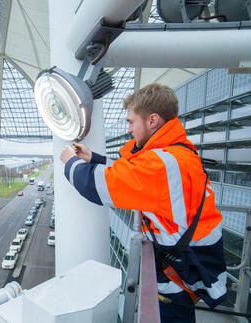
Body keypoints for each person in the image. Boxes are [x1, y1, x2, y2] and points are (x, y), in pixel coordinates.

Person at [59, 83, 227, 322]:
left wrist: (70, 162)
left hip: (179, 274)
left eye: (131, 122)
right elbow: (134, 174)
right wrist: (93, 158)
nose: (128, 130)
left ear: (152, 121)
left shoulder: (162, 164)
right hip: (191, 262)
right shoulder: (175, 153)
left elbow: (99, 186)